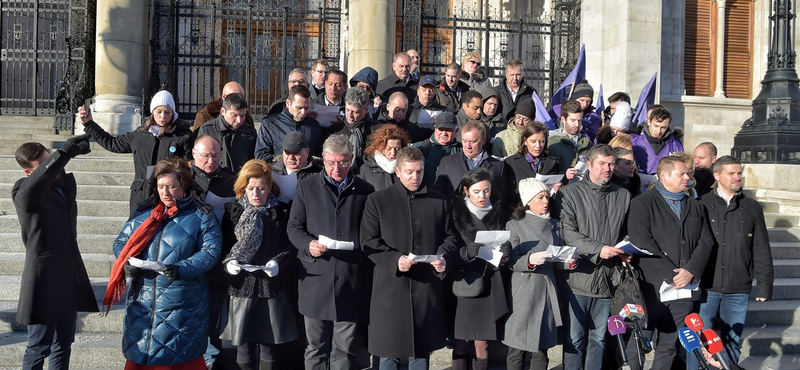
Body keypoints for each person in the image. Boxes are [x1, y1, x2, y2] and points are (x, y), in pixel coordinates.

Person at [105, 157, 221, 369]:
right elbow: (122, 241)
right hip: (143, 298)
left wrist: (181, 268)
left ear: (184, 186)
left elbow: (210, 251)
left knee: (178, 357)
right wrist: (127, 261)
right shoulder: (144, 212)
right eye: (160, 186)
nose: (165, 192)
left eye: (171, 187)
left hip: (181, 301)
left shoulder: (201, 214)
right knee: (141, 356)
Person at [360, 147, 458, 370]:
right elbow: (368, 241)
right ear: (397, 171)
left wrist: (444, 257)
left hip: (425, 288)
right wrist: (394, 260)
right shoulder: (377, 200)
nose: (416, 177)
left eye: (420, 172)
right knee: (388, 353)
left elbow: (451, 237)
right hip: (390, 288)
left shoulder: (439, 200)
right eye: (410, 172)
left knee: (420, 351)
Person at [287, 134, 375, 370]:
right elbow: (294, 227)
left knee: (343, 350)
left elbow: (371, 232)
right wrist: (308, 244)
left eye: (343, 162)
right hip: (316, 279)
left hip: (350, 278)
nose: (337, 168)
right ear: (323, 159)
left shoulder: (366, 190)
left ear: (352, 159)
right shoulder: (306, 186)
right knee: (315, 347)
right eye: (331, 162)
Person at [13, 138, 99, 370]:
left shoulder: (63, 186)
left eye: (49, 157)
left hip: (68, 274)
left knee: (63, 343)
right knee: (39, 345)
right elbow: (32, 187)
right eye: (44, 163)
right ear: (29, 171)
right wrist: (63, 153)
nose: (53, 165)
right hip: (43, 278)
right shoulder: (23, 190)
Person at [626, 156, 714, 370]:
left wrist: (691, 270)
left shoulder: (696, 206)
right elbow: (642, 240)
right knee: (639, 340)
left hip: (685, 288)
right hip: (651, 285)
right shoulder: (642, 203)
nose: (688, 177)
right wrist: (673, 273)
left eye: (688, 173)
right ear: (664, 176)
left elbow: (707, 241)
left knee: (670, 343)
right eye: (682, 173)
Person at [688, 156, 774, 369]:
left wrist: (764, 285)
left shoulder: (752, 207)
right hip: (707, 286)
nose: (738, 177)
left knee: (732, 342)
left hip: (738, 287)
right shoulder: (701, 205)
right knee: (700, 342)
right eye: (732, 173)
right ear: (717, 176)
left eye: (739, 173)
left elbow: (761, 248)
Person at [556, 144, 630, 370]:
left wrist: (627, 250)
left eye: (611, 164)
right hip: (578, 279)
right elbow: (566, 232)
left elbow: (627, 231)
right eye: (602, 164)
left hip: (609, 281)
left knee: (599, 339)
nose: (608, 168)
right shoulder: (569, 193)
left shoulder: (623, 194)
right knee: (575, 340)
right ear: (588, 165)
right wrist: (599, 249)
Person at [219, 159, 298, 370]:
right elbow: (224, 245)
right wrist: (229, 263)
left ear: (269, 187)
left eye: (261, 188)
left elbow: (289, 245)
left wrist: (278, 262)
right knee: (243, 346)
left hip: (270, 287)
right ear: (243, 188)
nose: (256, 194)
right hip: (241, 287)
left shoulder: (280, 212)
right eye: (250, 188)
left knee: (269, 345)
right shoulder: (233, 211)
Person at [79, 90, 193, 215]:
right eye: (158, 112)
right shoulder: (140, 135)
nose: (163, 116)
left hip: (168, 196)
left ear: (173, 113)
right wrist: (89, 123)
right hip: (141, 195)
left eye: (167, 112)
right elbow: (112, 143)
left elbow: (189, 167)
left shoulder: (183, 136)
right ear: (152, 112)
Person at [503, 178, 576, 370]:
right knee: (517, 348)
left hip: (547, 290)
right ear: (528, 201)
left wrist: (569, 262)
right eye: (540, 197)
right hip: (524, 291)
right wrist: (529, 260)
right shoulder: (515, 225)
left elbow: (558, 261)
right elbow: (511, 261)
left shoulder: (555, 225)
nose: (546, 201)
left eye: (546, 196)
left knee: (541, 348)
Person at [449, 169, 510, 370]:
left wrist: (506, 252)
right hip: (465, 283)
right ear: (466, 190)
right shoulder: (455, 213)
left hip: (491, 280)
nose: (482, 196)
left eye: (486, 191)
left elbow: (505, 241)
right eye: (477, 191)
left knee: (483, 341)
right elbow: (448, 247)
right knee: (462, 341)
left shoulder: (500, 212)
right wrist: (466, 253)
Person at [434, 120, 506, 203]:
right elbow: (439, 196)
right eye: (464, 141)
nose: (467, 146)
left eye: (473, 142)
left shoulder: (498, 166)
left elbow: (503, 198)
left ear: (483, 140)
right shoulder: (447, 162)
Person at [257, 85, 324, 162]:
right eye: (299, 108)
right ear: (288, 103)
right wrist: (288, 159)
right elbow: (261, 156)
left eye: (306, 108)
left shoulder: (314, 126)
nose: (303, 112)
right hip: (279, 172)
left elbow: (320, 157)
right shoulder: (270, 125)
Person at [503, 122, 565, 205]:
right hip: (521, 211)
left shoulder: (554, 163)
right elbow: (508, 194)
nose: (538, 146)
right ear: (525, 141)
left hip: (547, 210)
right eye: (533, 141)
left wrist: (558, 190)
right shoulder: (511, 163)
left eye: (541, 141)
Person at [412, 112, 462, 189]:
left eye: (448, 130)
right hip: (429, 197)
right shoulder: (419, 148)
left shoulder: (462, 151)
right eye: (441, 129)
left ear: (456, 130)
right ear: (434, 127)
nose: (444, 133)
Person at [631, 106, 684, 175]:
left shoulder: (675, 145)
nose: (659, 131)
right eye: (656, 126)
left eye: (663, 127)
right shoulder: (634, 142)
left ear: (668, 125)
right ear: (648, 122)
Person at [358, 124, 411, 190]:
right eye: (389, 148)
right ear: (380, 148)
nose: (393, 153)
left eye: (397, 149)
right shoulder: (366, 169)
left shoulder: (407, 168)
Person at [548, 99, 593, 171]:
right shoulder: (551, 142)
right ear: (563, 119)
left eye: (579, 120)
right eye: (573, 120)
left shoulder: (587, 143)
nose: (577, 124)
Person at [328, 86, 373, 158]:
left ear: (366, 109)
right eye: (347, 110)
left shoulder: (376, 131)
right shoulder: (335, 131)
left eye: (355, 112)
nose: (349, 115)